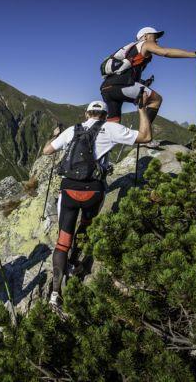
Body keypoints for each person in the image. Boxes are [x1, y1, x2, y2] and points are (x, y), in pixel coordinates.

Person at [42, 100, 152, 311]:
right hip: (93, 190)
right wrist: (142, 110)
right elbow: (146, 137)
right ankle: (74, 264)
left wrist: (56, 135)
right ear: (104, 115)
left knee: (63, 240)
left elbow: (47, 150)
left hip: (69, 190)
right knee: (86, 225)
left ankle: (55, 294)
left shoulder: (73, 130)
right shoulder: (110, 128)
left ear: (86, 114)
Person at [100, 27, 196, 127]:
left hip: (106, 88)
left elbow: (125, 71)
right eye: (154, 36)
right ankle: (144, 137)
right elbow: (165, 52)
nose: (157, 40)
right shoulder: (145, 44)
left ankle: (104, 146)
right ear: (145, 36)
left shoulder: (131, 50)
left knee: (113, 123)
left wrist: (141, 82)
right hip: (121, 85)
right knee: (156, 100)